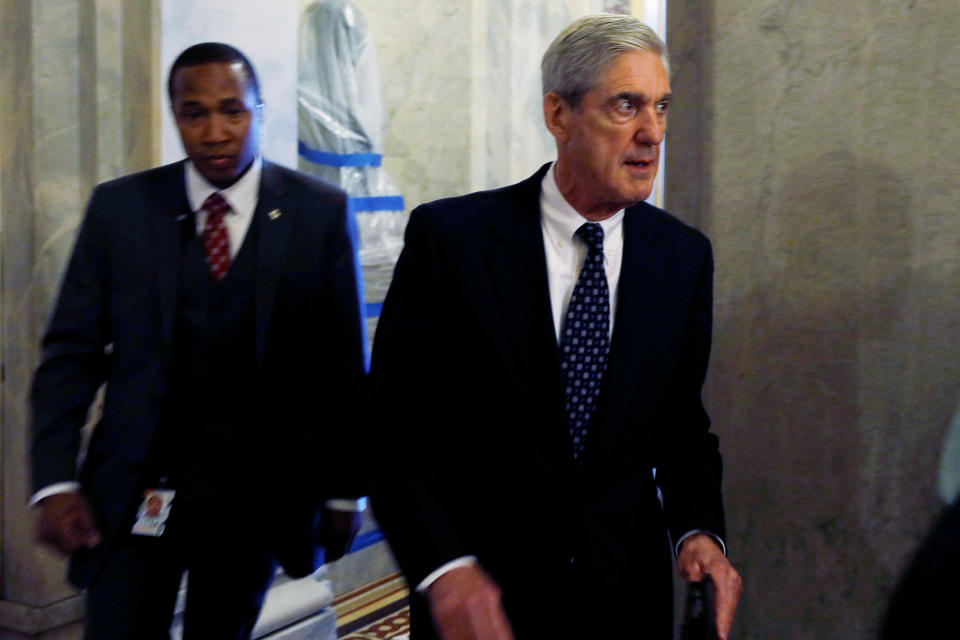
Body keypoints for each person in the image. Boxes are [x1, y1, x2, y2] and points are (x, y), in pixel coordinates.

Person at [368, 14, 741, 640]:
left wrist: (700, 531)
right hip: (486, 604)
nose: (652, 133)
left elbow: (681, 426)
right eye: (626, 106)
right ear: (558, 114)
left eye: (661, 107)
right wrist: (445, 568)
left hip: (625, 600)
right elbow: (394, 432)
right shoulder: (452, 244)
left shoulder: (682, 257)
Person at [30, 42, 367, 639]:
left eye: (232, 110)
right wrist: (54, 479)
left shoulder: (318, 213)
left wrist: (344, 492)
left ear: (260, 109)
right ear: (176, 118)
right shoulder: (122, 210)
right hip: (136, 490)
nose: (215, 131)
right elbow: (70, 356)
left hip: (253, 501)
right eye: (194, 113)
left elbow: (339, 370)